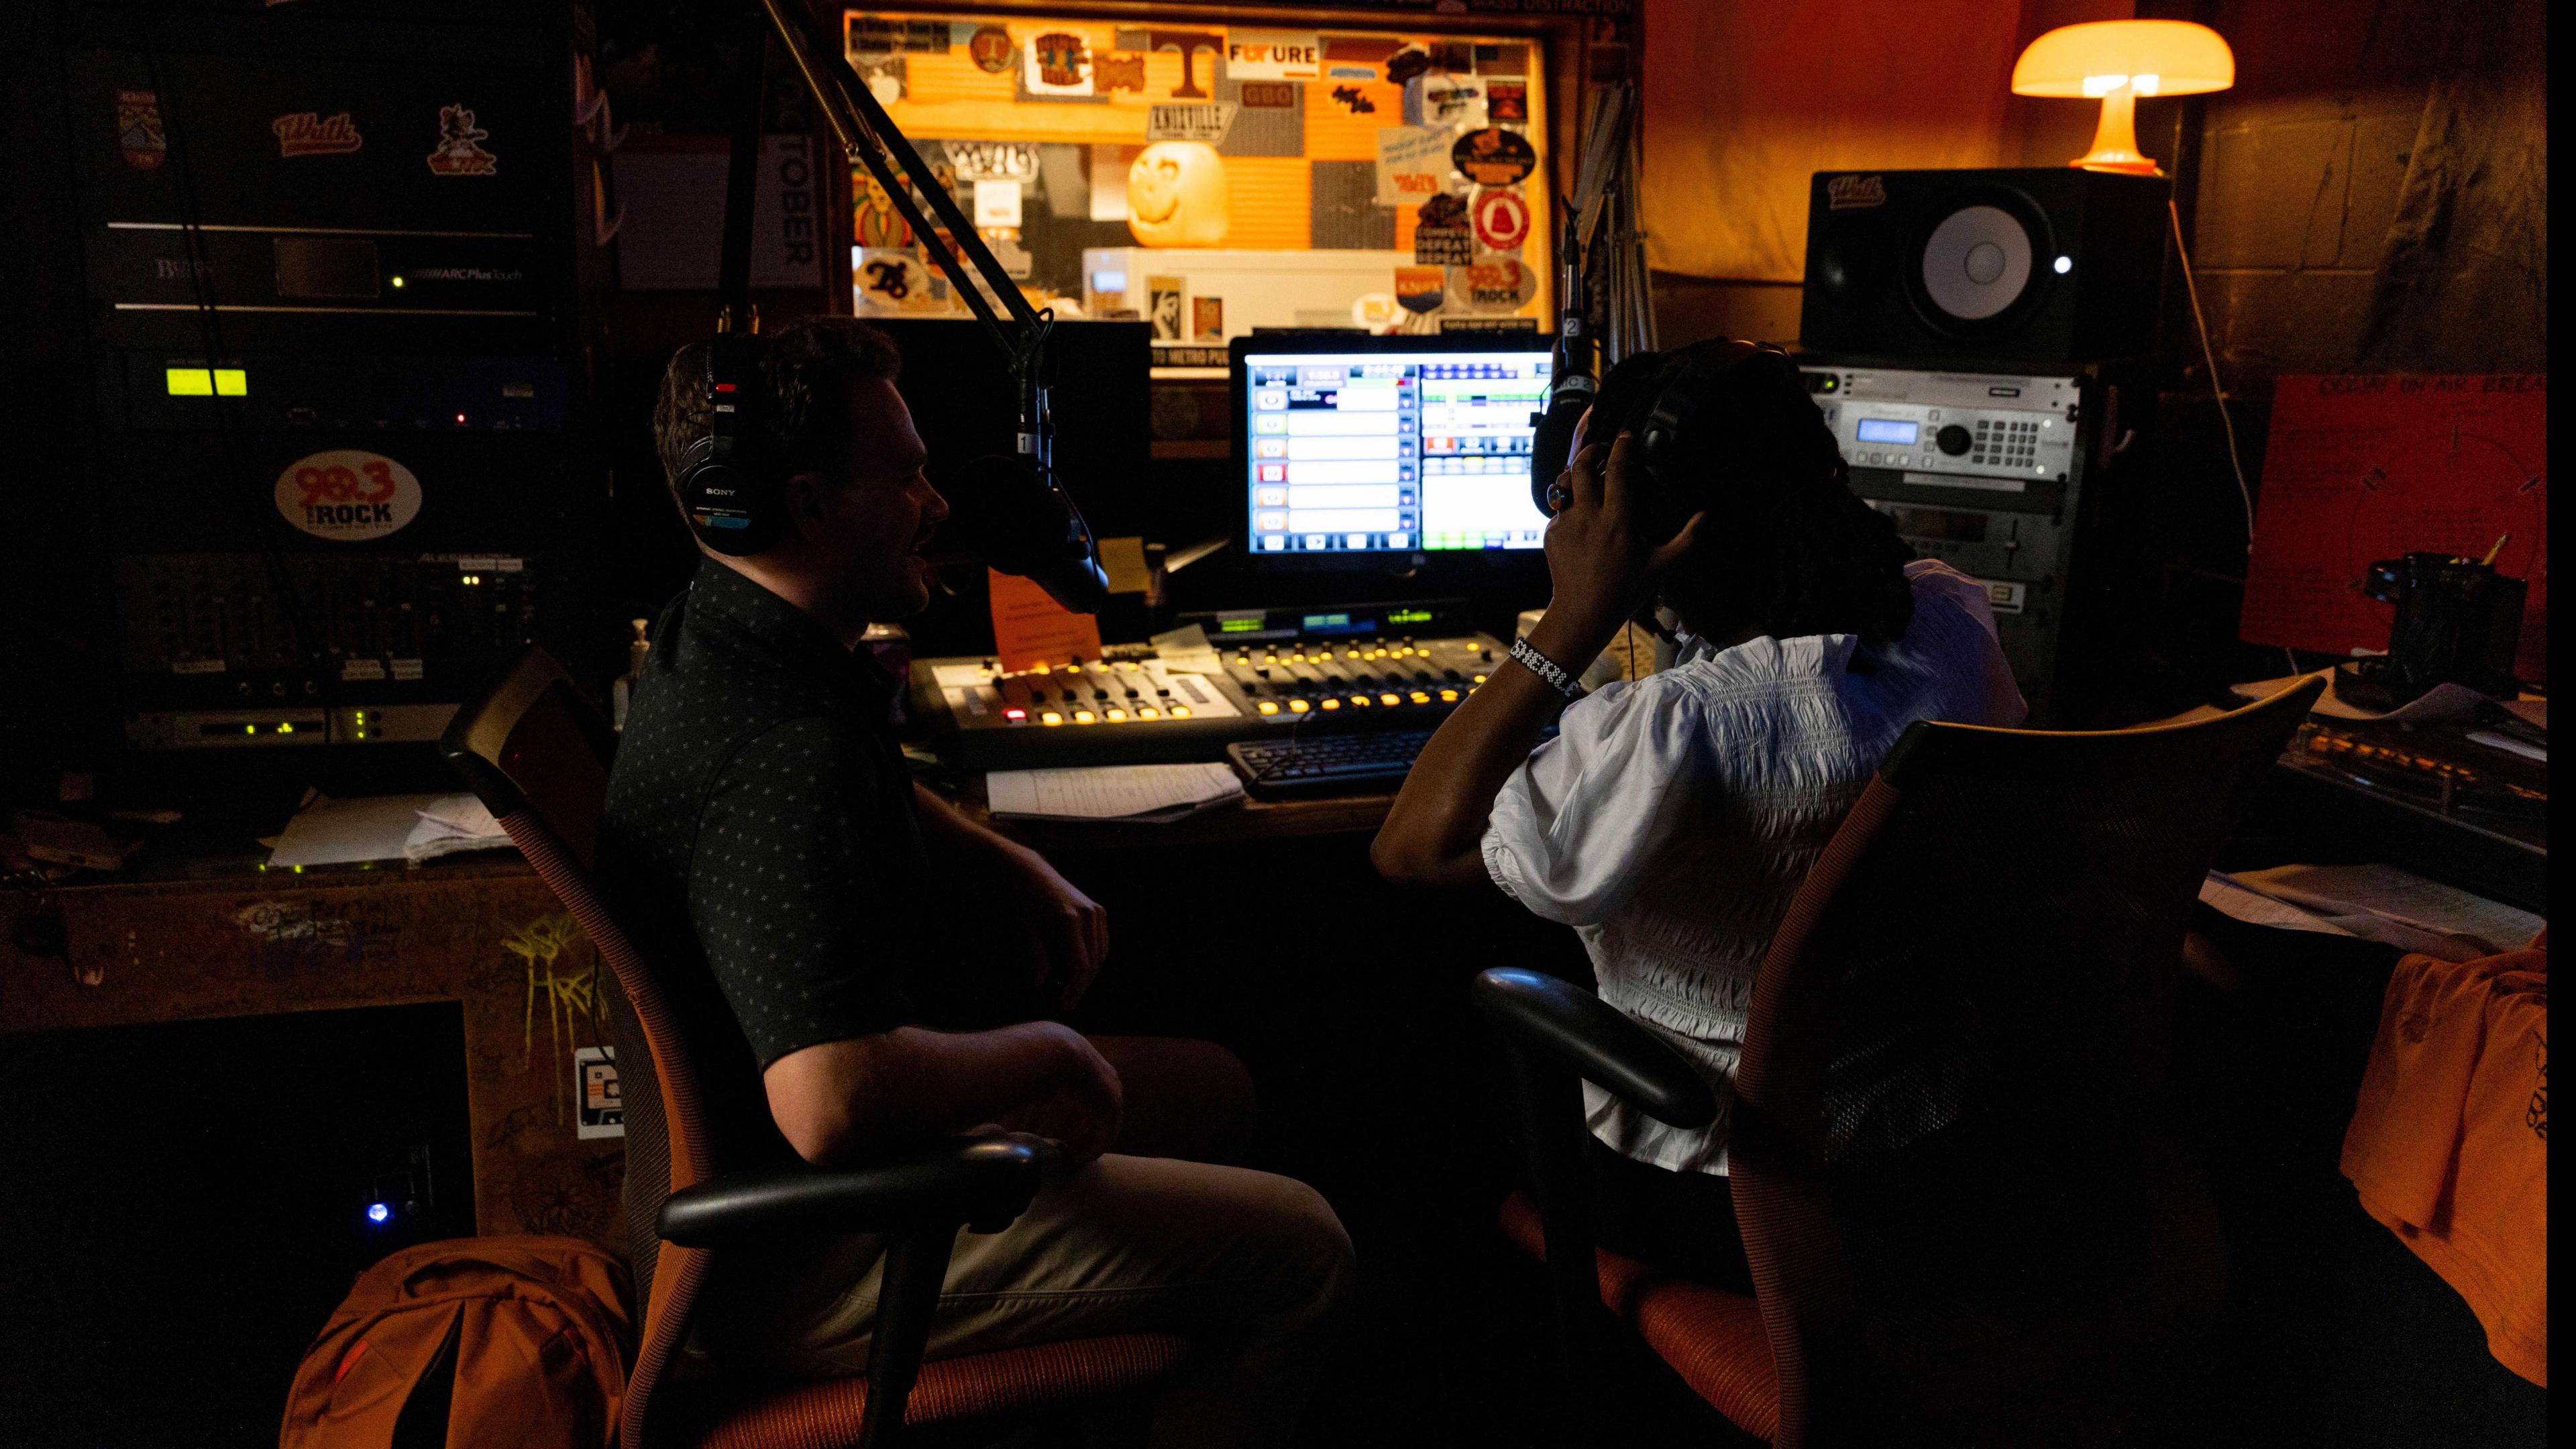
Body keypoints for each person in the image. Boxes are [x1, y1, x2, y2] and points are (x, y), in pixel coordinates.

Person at [598, 318, 1351, 1446]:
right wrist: (1050, 1053)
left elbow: (843, 795)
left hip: (746, 1213)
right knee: (1308, 1248)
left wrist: (991, 847)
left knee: (1221, 1091)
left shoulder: (724, 635)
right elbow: (831, 1100)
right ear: (809, 504)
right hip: (815, 1258)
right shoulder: (779, 755)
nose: (939, 505)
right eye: (905, 478)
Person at [1371, 339, 2026, 1290]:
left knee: (1422, 1083)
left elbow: (1413, 849)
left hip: (1716, 1190)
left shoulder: (1683, 731)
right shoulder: (1951, 626)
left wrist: (1572, 618)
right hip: (1922, 1160)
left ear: (1642, 524)